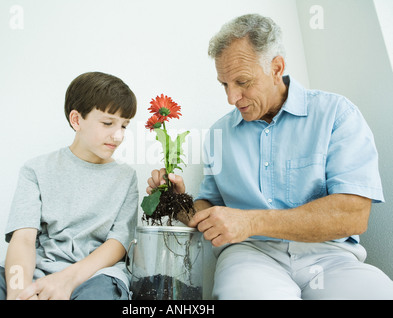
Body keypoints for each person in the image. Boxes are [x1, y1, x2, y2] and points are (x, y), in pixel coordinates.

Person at [147, 14, 393, 299]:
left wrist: (250, 222)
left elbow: (353, 215)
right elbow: (210, 210)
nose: (231, 97)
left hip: (331, 257)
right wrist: (179, 201)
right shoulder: (220, 134)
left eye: (242, 82)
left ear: (277, 68)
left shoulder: (336, 114)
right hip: (251, 256)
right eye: (224, 84)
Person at [0, 71, 138, 300]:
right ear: (76, 120)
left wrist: (66, 280)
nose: (118, 136)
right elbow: (23, 239)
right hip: (34, 269)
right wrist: (19, 291)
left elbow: (117, 245)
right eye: (108, 123)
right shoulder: (36, 169)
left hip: (96, 276)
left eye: (124, 126)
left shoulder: (126, 177)